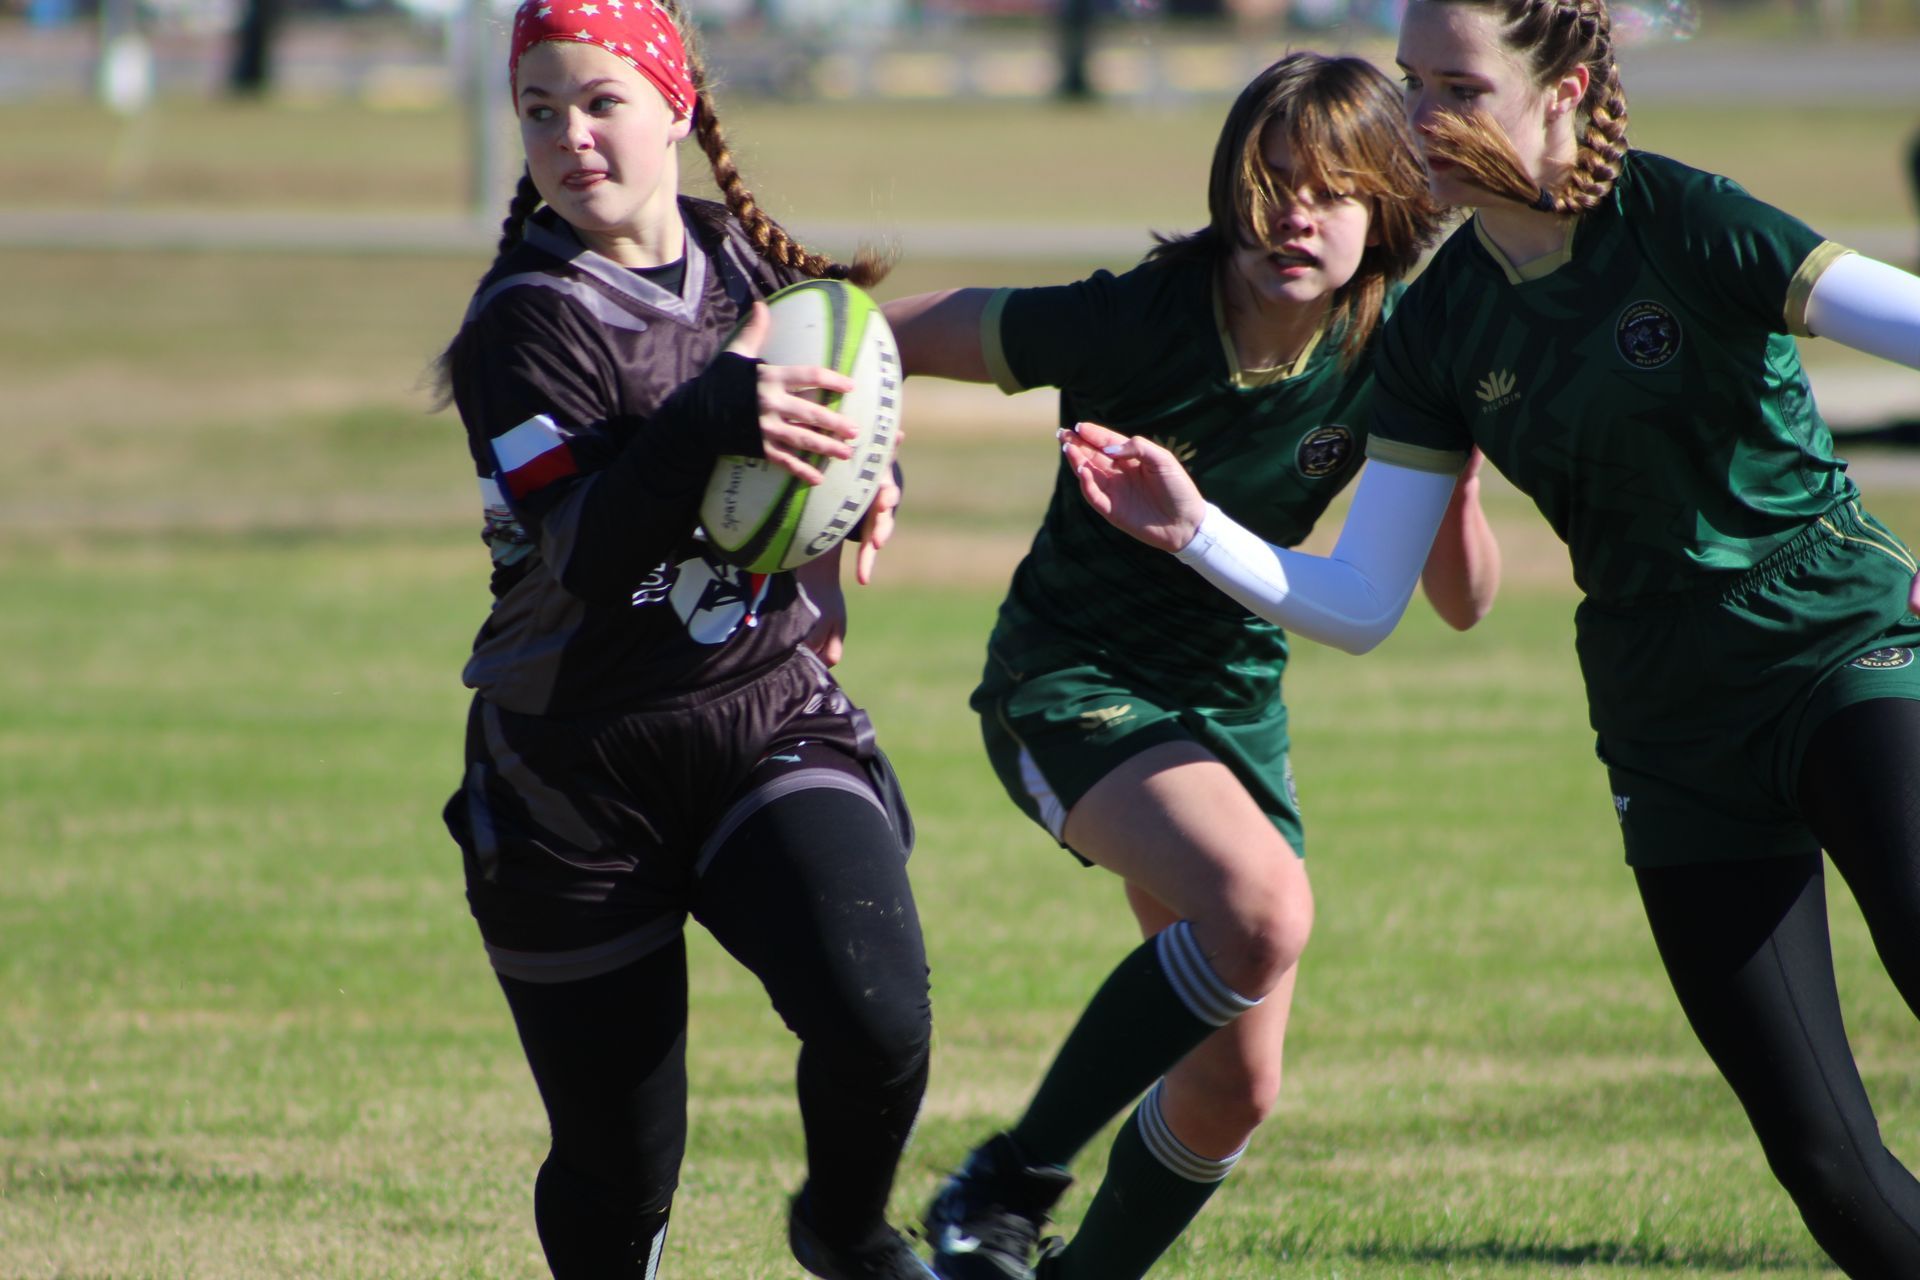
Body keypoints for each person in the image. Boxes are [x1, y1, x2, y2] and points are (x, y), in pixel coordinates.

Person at [1063, 1, 1920, 1274]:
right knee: (1824, 1159)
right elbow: (1364, 600)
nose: (1419, 120)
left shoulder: (1685, 217)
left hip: (1838, 647)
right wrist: (1196, 529)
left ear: (1564, 90)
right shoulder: (1440, 325)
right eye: (1411, 83)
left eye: (1458, 89)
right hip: (1666, 725)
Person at [882, 53, 1502, 1280]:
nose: (1296, 215)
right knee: (1261, 910)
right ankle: (1006, 1181)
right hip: (1070, 678)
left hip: (1233, 705)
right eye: (1272, 183)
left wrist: (1458, 474)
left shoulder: (1400, 349)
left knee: (1233, 1090)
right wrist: (861, 457)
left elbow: (1464, 601)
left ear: (1391, 203)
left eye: (1333, 188)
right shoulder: (1139, 317)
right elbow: (883, 340)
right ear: (1230, 189)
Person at [434, 2, 935, 1275]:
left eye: (600, 101)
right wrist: (717, 408)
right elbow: (589, 552)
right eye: (539, 110)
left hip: (763, 714)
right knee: (619, 1165)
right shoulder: (524, 322)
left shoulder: (746, 267)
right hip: (574, 771)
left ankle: (846, 1232)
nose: (570, 134)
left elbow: (835, 425)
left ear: (675, 109)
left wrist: (864, 483)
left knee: (877, 1013)